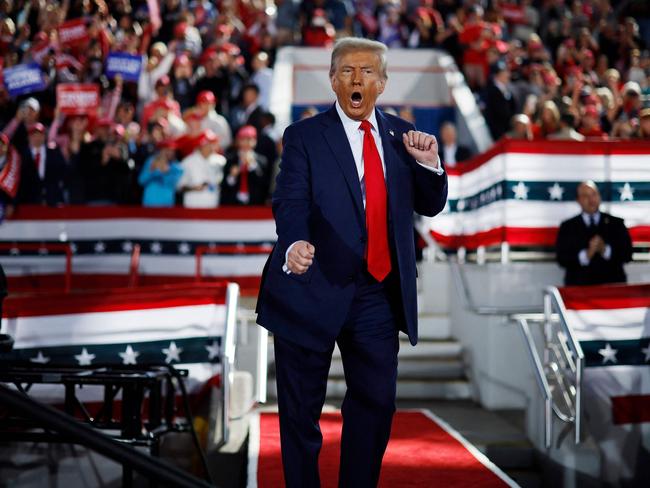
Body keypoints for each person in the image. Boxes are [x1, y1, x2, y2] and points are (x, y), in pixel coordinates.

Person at [255, 38, 447, 487]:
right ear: (332, 81)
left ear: (382, 82)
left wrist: (431, 164)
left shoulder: (404, 137)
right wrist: (294, 243)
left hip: (376, 293)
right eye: (346, 71)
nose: (356, 79)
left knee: (376, 404)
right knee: (300, 415)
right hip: (309, 288)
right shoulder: (304, 136)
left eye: (366, 72)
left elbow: (432, 205)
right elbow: (290, 200)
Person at [556, 181, 632, 286]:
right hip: (579, 289)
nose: (591, 200)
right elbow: (561, 259)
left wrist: (605, 250)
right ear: (578, 200)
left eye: (594, 194)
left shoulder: (616, 224)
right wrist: (586, 255)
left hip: (612, 288)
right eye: (585, 196)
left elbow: (627, 254)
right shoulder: (568, 226)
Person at [221, 125, 268, 205]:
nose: (246, 143)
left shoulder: (261, 160)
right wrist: (232, 176)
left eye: (249, 139)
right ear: (238, 141)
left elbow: (263, 184)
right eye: (243, 140)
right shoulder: (230, 159)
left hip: (255, 204)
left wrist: (252, 165)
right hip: (234, 204)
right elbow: (225, 186)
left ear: (255, 141)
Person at [138, 140, 183, 207]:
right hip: (149, 203)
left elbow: (173, 184)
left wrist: (165, 172)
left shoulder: (176, 166)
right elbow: (141, 181)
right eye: (167, 149)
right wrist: (153, 171)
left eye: (172, 150)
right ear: (161, 150)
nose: (170, 152)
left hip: (166, 204)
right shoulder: (151, 161)